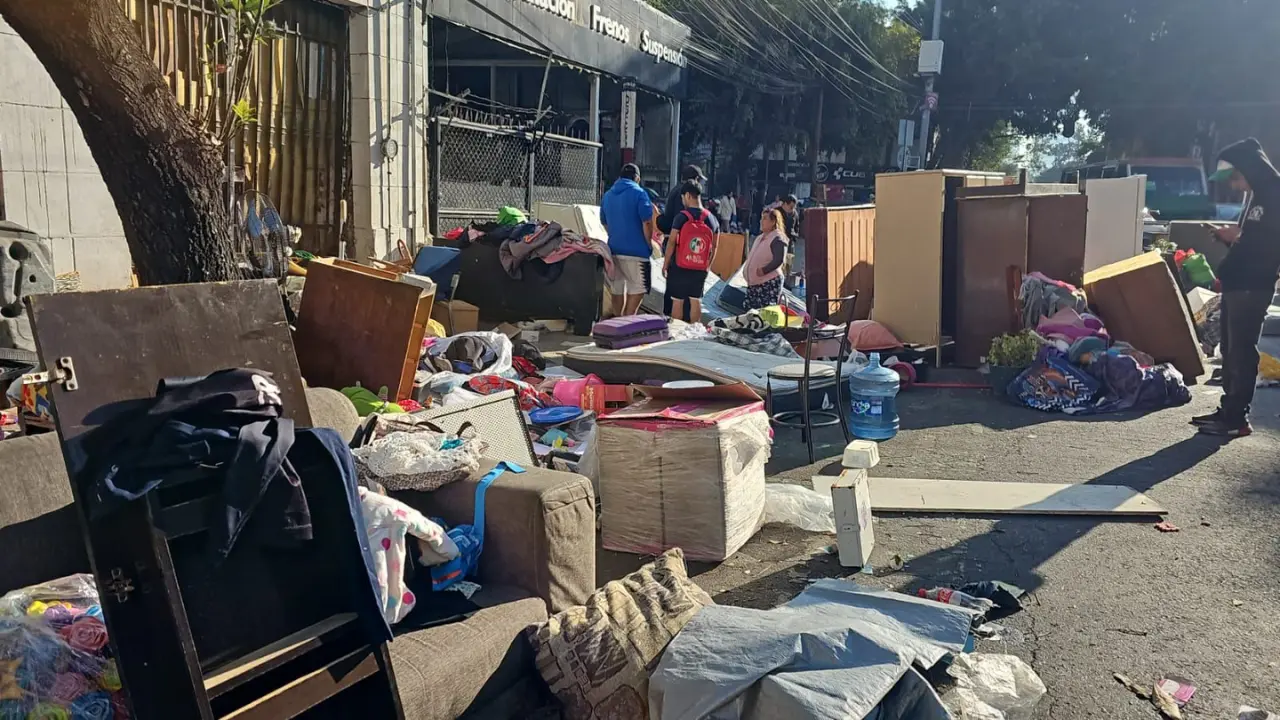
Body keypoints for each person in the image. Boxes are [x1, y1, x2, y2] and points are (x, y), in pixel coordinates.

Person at [1193, 138, 1280, 438]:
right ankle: (1229, 410)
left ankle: (1236, 418)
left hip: (1252, 285)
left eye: (1235, 177)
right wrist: (1231, 237)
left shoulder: (1273, 194)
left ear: (1249, 169)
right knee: (1230, 350)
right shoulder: (1257, 195)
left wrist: (1237, 238)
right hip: (1239, 283)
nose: (1234, 185)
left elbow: (1268, 244)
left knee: (1241, 351)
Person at [600, 163, 656, 317]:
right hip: (637, 252)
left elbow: (604, 222)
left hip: (614, 251)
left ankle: (618, 321)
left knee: (617, 288)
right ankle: (628, 320)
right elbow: (647, 222)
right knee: (638, 287)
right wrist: (648, 243)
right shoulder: (640, 193)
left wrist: (615, 235)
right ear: (637, 178)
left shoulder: (608, 195)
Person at [663, 181, 720, 323]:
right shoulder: (712, 219)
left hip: (679, 266)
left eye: (683, 197)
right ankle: (694, 332)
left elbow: (671, 242)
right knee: (696, 301)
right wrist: (707, 266)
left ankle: (676, 332)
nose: (682, 201)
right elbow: (715, 246)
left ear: (688, 195)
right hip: (700, 268)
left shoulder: (681, 217)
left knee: (678, 301)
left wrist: (665, 264)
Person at [655, 165, 706, 319]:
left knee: (675, 298)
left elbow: (668, 229)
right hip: (697, 258)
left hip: (678, 256)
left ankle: (673, 329)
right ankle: (691, 332)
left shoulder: (674, 193)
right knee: (694, 300)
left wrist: (666, 262)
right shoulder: (704, 212)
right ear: (696, 180)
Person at [742, 208, 788, 310]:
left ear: (773, 222)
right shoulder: (760, 237)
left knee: (764, 315)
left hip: (768, 284)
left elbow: (779, 260)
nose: (761, 221)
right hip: (754, 284)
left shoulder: (778, 238)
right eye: (761, 218)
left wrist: (764, 270)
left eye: (765, 219)